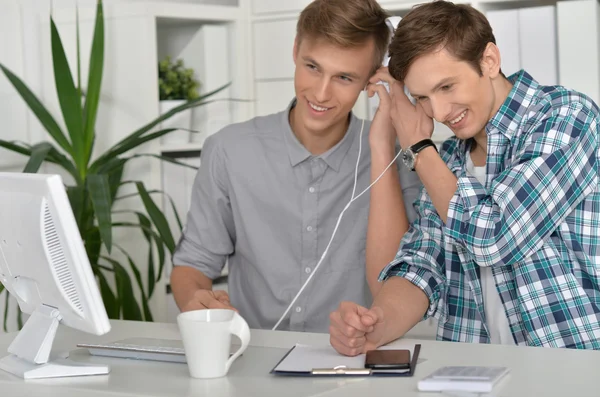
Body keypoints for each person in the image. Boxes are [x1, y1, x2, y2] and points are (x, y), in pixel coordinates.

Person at [329, 0, 600, 355]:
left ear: (489, 61)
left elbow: (496, 235)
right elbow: (422, 263)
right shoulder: (449, 161)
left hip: (571, 372)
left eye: (447, 87)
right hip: (475, 374)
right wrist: (379, 322)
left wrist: (418, 146)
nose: (439, 112)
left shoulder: (567, 117)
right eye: (422, 97)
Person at [170, 0, 422, 333]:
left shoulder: (395, 157)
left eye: (344, 77)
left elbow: (393, 281)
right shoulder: (229, 151)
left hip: (354, 363)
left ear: (371, 81)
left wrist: (381, 147)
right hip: (251, 362)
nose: (320, 92)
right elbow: (192, 265)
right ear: (295, 51)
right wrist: (195, 299)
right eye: (312, 67)